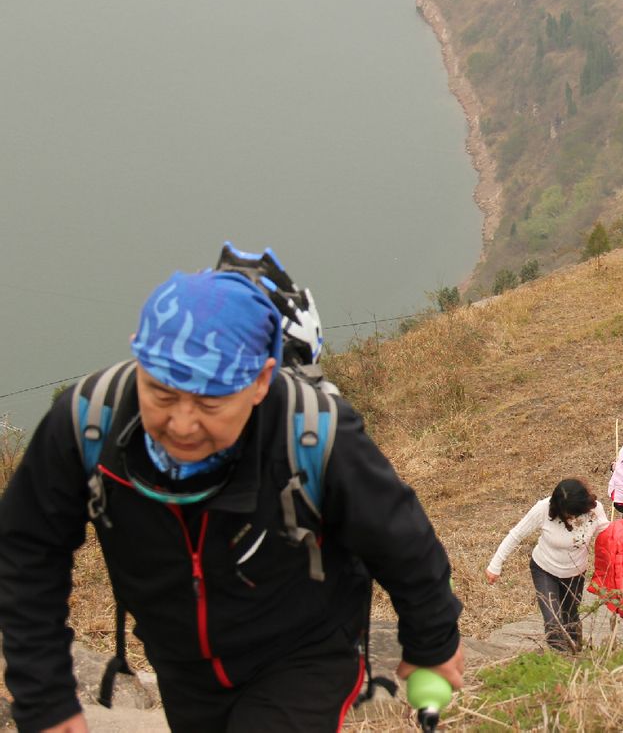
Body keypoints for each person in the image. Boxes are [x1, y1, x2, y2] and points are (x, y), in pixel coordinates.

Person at [0, 266, 464, 733]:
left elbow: (401, 539)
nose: (181, 424)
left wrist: (433, 642)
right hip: (181, 666)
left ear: (261, 380)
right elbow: (26, 552)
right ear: (138, 358)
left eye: (209, 402)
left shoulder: (313, 433)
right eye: (161, 393)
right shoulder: (86, 421)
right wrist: (45, 698)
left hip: (303, 654)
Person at [486, 479, 607, 653]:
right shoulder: (543, 509)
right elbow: (516, 534)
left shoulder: (595, 510)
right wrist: (495, 565)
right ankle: (560, 660)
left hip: (575, 573)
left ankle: (576, 655)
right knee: (553, 621)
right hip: (544, 570)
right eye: (565, 513)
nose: (570, 518)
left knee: (570, 618)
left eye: (573, 514)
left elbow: (609, 534)